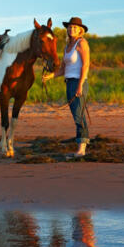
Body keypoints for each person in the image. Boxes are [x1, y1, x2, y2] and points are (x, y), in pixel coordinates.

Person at [42, 17, 90, 156]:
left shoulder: (82, 43)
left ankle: (82, 148)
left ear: (80, 30)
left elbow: (85, 65)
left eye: (74, 27)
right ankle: (81, 144)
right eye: (69, 27)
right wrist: (51, 76)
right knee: (76, 115)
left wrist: (80, 85)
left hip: (78, 82)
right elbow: (63, 69)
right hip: (69, 82)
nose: (71, 29)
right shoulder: (67, 46)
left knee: (78, 116)